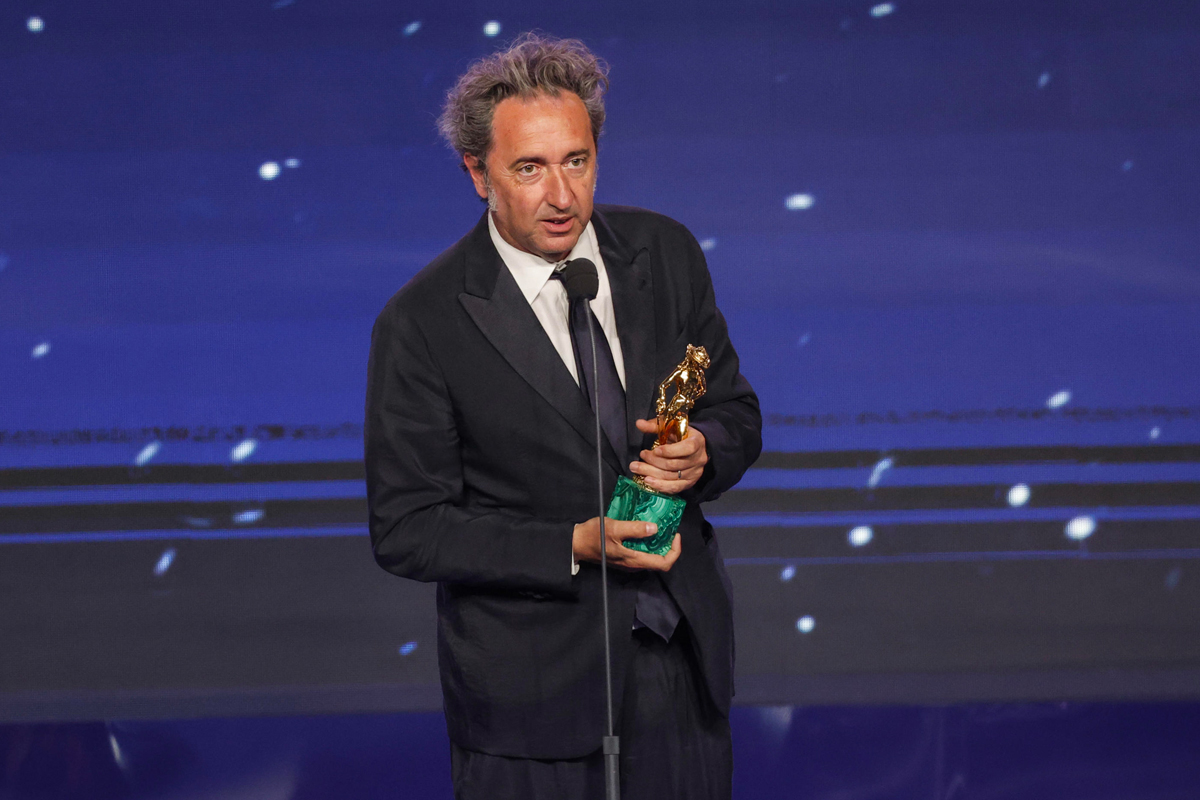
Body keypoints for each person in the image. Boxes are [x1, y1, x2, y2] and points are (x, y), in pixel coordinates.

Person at [365, 33, 761, 800]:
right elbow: (408, 527)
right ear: (477, 173)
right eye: (530, 168)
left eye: (576, 161)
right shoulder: (424, 323)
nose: (561, 195)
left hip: (680, 673)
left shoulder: (665, 255)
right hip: (533, 704)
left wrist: (704, 450)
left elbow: (730, 407)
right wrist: (571, 544)